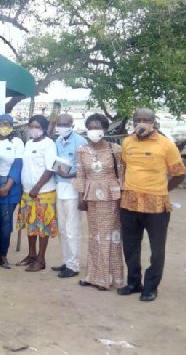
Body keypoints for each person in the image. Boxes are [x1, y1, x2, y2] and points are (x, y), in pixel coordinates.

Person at [118, 108, 186, 301]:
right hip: (129, 203)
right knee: (131, 246)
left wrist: (162, 189)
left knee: (157, 249)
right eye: (137, 119)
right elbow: (125, 166)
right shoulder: (127, 142)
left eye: (145, 119)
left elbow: (179, 173)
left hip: (156, 205)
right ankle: (133, 283)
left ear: (153, 121)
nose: (141, 123)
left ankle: (151, 287)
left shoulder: (166, 145)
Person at [72, 113, 125, 291]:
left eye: (97, 127)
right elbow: (81, 175)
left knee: (109, 236)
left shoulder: (115, 149)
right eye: (91, 127)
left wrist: (123, 198)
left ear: (105, 129)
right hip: (91, 197)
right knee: (94, 236)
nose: (94, 131)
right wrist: (81, 197)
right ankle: (93, 275)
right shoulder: (82, 150)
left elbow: (122, 175)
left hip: (111, 197)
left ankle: (107, 278)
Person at [15, 115, 58, 272]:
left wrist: (37, 187)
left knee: (42, 226)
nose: (34, 129)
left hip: (43, 192)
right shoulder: (28, 143)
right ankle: (31, 255)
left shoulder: (49, 144)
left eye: (38, 126)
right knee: (30, 225)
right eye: (31, 126)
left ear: (45, 129)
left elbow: (50, 168)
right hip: (27, 192)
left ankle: (41, 259)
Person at [52, 113, 88, 278]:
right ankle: (67, 261)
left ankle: (73, 265)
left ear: (72, 125)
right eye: (60, 123)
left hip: (73, 187)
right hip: (60, 186)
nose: (62, 126)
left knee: (72, 228)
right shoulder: (58, 141)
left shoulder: (80, 141)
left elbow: (85, 167)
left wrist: (70, 175)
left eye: (66, 124)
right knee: (63, 228)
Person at [0, 114, 24, 268]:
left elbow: (17, 165)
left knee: (5, 223)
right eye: (1, 123)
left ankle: (3, 255)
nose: (4, 126)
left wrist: (7, 187)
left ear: (11, 126)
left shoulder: (17, 142)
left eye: (7, 124)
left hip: (10, 187)